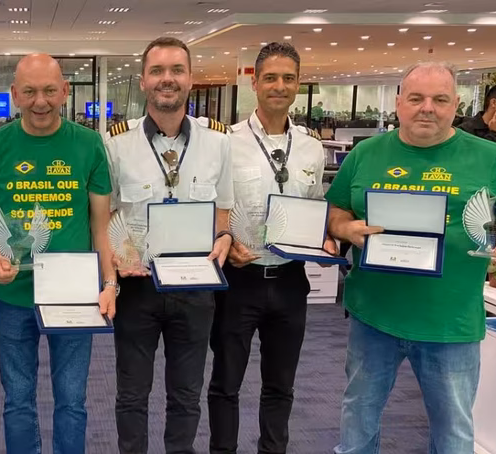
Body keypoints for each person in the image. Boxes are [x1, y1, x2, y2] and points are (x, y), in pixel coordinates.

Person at [327, 62, 496, 454]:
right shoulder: (366, 153)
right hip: (373, 316)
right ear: (398, 103)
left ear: (456, 105)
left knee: (453, 435)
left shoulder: (493, 158)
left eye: (439, 99)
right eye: (416, 98)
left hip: (450, 323)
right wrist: (345, 229)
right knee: (357, 422)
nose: (427, 108)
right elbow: (337, 209)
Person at [0, 53, 116, 454]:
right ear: (15, 94)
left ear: (65, 91)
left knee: (72, 401)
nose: (40, 101)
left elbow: (100, 227)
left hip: (73, 295)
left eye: (50, 90)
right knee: (18, 400)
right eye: (30, 91)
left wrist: (110, 283)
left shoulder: (89, 144)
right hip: (13, 295)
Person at [104, 36, 234, 454]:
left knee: (186, 395)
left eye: (177, 70)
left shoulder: (218, 142)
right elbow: (106, 213)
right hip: (137, 285)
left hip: (195, 288)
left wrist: (224, 237)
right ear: (143, 80)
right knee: (131, 394)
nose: (167, 79)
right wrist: (121, 253)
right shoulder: (116, 143)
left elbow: (223, 210)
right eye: (157, 70)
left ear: (191, 78)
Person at [207, 42, 335, 454]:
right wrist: (222, 238)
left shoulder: (311, 145)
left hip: (290, 281)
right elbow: (211, 205)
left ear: (298, 83)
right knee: (226, 383)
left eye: (288, 78)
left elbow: (315, 205)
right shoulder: (226, 141)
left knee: (281, 385)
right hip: (239, 280)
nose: (280, 86)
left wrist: (324, 239)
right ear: (255, 82)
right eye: (271, 78)